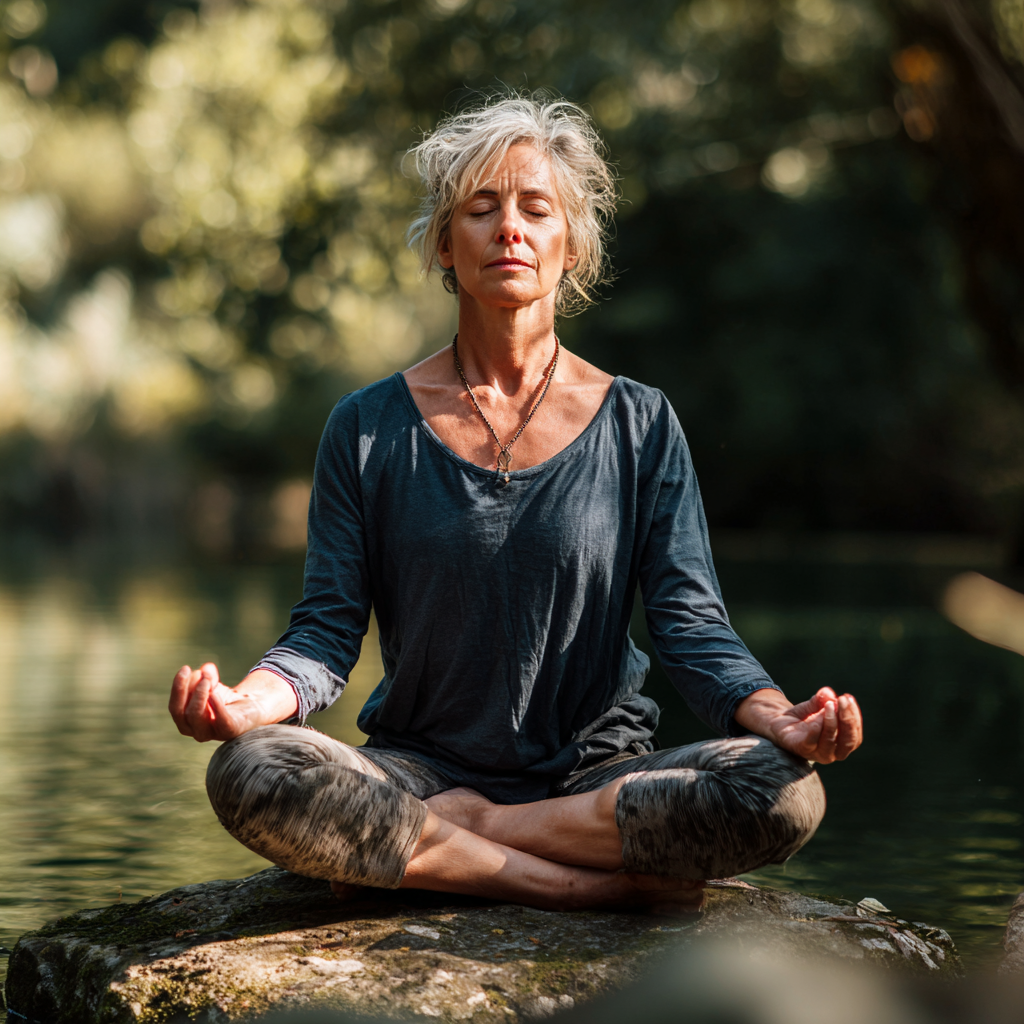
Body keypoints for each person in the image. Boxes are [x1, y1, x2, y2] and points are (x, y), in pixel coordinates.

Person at [169, 96, 862, 914]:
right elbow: (325, 633)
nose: (510, 230)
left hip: (597, 775)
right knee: (252, 771)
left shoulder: (641, 422)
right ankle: (575, 885)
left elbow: (691, 625)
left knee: (784, 793)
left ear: (571, 246)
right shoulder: (364, 426)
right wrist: (249, 702)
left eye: (537, 209)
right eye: (481, 209)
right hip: (415, 765)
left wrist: (782, 719)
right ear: (442, 245)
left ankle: (457, 835)